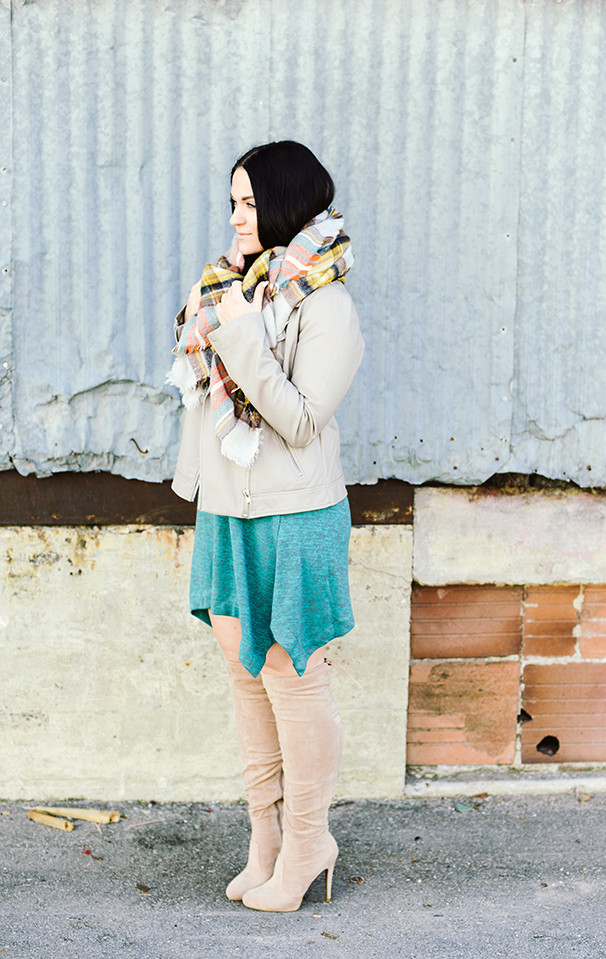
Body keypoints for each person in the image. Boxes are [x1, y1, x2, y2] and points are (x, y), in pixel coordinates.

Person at [168, 140, 364, 913]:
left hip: (296, 512)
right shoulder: (228, 288)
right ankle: (268, 837)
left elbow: (303, 419)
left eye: (249, 202)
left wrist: (240, 337)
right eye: (232, 201)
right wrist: (213, 321)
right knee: (244, 673)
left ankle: (311, 838)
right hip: (227, 506)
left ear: (285, 203)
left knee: (289, 672)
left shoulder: (328, 305)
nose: (235, 216)